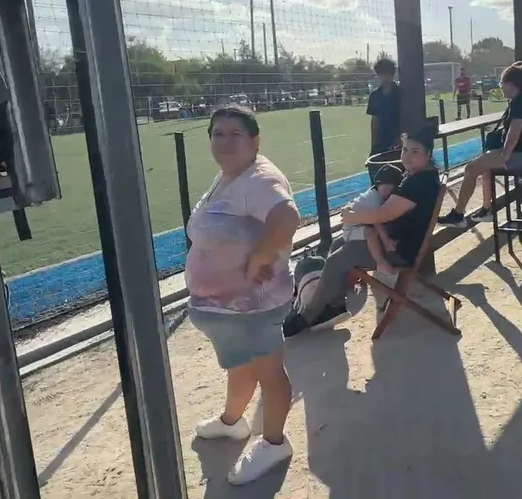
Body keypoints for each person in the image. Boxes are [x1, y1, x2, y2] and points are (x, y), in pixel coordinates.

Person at [186, 107, 298, 484]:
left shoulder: (260, 179)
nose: (225, 141)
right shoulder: (228, 175)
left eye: (236, 134)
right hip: (230, 309)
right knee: (241, 364)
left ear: (255, 141)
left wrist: (261, 257)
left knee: (268, 371)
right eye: (218, 133)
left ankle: (274, 443)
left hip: (255, 305)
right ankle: (232, 422)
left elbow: (287, 217)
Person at [287, 128, 442, 334]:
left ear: (428, 153)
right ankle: (334, 304)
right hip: (398, 239)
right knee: (338, 244)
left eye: (415, 151)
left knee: (337, 259)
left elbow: (382, 215)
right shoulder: (421, 175)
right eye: (405, 149)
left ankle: (307, 316)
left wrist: (352, 216)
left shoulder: (418, 183)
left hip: (399, 249)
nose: (407, 156)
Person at [439, 63, 522, 228]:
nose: (500, 86)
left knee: (470, 169)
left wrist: (505, 156)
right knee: (485, 164)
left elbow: (513, 135)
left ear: (511, 84)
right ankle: (486, 209)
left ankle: (458, 215)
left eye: (502, 83)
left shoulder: (520, 102)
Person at [340, 164, 402, 275]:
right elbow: (375, 220)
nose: (388, 193)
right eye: (386, 189)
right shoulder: (374, 198)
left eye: (391, 190)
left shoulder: (376, 194)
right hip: (352, 230)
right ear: (378, 184)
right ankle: (380, 262)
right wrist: (386, 240)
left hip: (362, 223)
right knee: (371, 233)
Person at [366, 57, 400, 154]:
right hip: (381, 139)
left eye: (388, 73)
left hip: (398, 139)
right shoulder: (374, 95)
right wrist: (374, 143)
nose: (385, 76)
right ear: (378, 74)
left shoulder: (400, 93)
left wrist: (401, 137)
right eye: (382, 73)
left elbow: (407, 116)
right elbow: (374, 120)